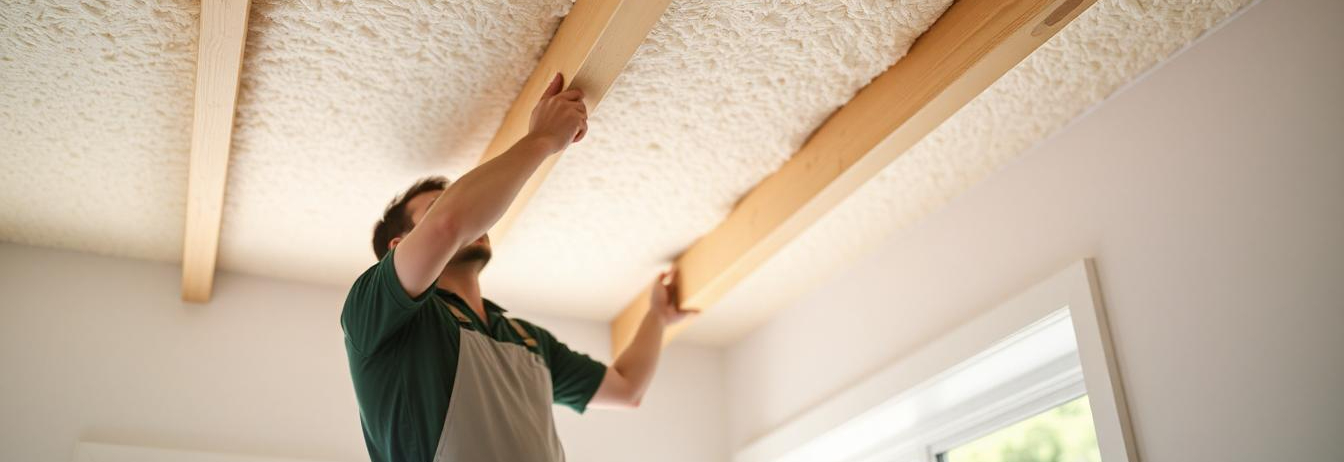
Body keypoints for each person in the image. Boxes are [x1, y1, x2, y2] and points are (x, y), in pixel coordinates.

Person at [341, 73, 695, 462]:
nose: (474, 216)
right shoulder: (376, 314)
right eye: (436, 206)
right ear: (399, 247)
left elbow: (627, 388)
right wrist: (541, 139)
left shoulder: (527, 339)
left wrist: (657, 317)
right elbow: (448, 225)